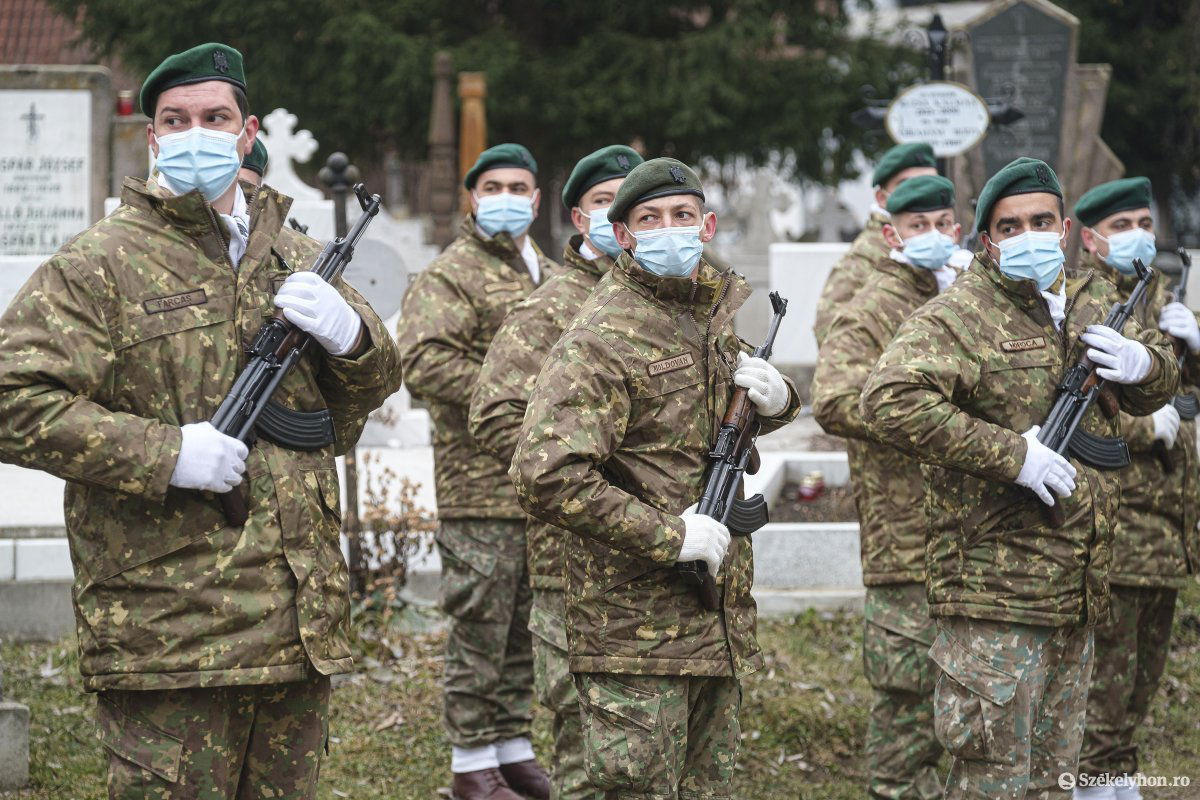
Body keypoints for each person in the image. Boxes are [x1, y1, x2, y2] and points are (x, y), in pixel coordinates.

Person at [0, 42, 402, 799]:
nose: (196, 134)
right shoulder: (98, 265)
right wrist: (165, 453)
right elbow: (14, 400)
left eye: (214, 117)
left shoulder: (300, 253)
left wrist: (352, 337)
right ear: (153, 139)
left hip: (295, 626)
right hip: (171, 631)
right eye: (175, 120)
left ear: (247, 133)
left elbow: (366, 392)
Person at [860, 157, 1179, 800]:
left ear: (1064, 228)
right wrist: (1013, 455)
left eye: (1041, 221)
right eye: (1011, 226)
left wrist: (1146, 365)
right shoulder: (959, 314)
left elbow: (1160, 384)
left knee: (1052, 781)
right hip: (993, 594)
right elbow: (885, 400)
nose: (1029, 235)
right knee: (993, 782)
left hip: (1076, 588)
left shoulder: (1093, 298)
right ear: (987, 241)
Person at [510, 157, 802, 799]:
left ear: (707, 225)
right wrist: (670, 535)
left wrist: (782, 404)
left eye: (682, 215)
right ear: (624, 235)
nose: (669, 228)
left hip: (714, 618)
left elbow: (701, 432)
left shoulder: (707, 317)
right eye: (649, 218)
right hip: (633, 631)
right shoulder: (601, 336)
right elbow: (544, 473)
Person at [469, 144, 643, 800]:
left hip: (668, 556)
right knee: (595, 751)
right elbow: (494, 417)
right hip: (580, 557)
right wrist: (586, 471)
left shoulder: (680, 305)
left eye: (634, 202)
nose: (622, 215)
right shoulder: (549, 310)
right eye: (606, 202)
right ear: (580, 217)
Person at [396, 143, 559, 800]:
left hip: (542, 485)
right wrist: (516, 398)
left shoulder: (547, 273)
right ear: (472, 198)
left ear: (538, 200)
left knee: (524, 622)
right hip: (479, 482)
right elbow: (426, 360)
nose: (507, 197)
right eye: (493, 186)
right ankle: (470, 763)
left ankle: (511, 744)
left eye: (519, 186)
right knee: (480, 624)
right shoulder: (452, 274)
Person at [812, 175, 962, 800]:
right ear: (892, 231)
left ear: (958, 229)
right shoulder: (874, 305)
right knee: (907, 699)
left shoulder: (965, 295)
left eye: (942, 223)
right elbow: (834, 400)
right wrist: (934, 420)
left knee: (958, 693)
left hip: (969, 532)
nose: (932, 235)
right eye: (917, 225)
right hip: (904, 530)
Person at [1071, 177, 1200, 800]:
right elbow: (1070, 410)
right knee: (1105, 689)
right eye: (1122, 227)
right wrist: (1149, 421)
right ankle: (1092, 787)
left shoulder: (1159, 302)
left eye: (1144, 223)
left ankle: (1117, 784)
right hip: (1118, 531)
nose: (1138, 236)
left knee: (1139, 687)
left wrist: (1193, 348)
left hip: (1166, 534)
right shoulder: (1085, 301)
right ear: (1091, 240)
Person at [812, 142, 938, 344]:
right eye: (907, 185)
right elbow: (831, 337)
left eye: (929, 185)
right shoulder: (864, 259)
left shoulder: (940, 245)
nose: (920, 194)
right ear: (881, 197)